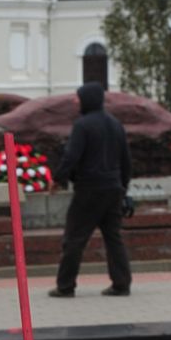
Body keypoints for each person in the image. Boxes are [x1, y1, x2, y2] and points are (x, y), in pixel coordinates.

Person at [48, 81, 134, 297]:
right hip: (113, 189)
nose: (75, 101)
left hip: (89, 190)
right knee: (113, 238)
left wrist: (58, 179)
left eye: (78, 97)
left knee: (74, 238)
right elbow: (126, 161)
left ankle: (65, 286)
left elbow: (71, 156)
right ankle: (121, 283)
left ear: (87, 99)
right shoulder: (116, 124)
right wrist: (123, 188)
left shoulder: (83, 125)